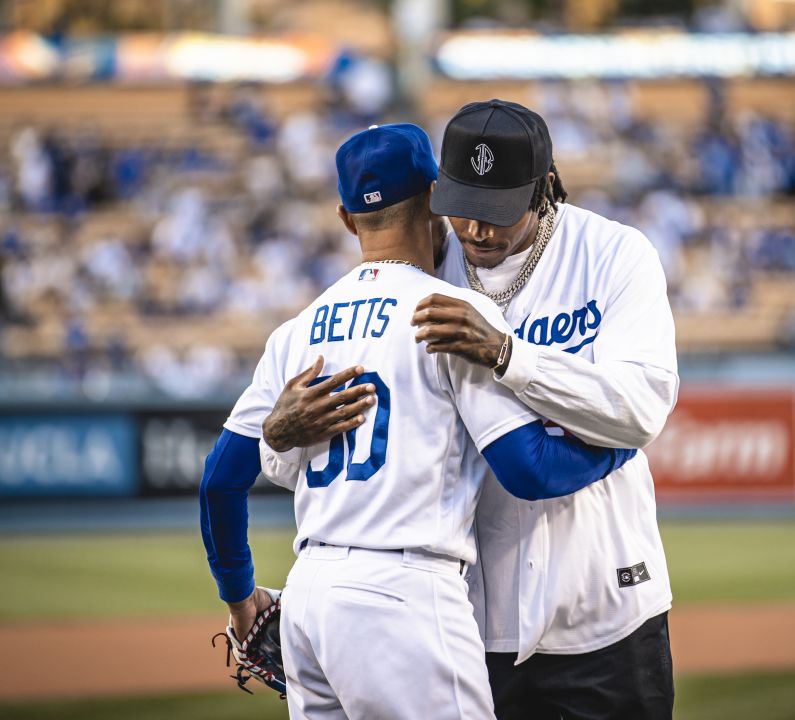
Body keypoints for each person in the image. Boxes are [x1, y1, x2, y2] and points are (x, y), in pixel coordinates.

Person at [260, 100, 681, 719]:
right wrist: (279, 434)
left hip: (606, 608)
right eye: (461, 207)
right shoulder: (426, 268)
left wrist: (510, 356)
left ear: (544, 190)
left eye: (497, 213)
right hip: (472, 622)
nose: (477, 230)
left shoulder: (614, 254)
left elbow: (642, 405)